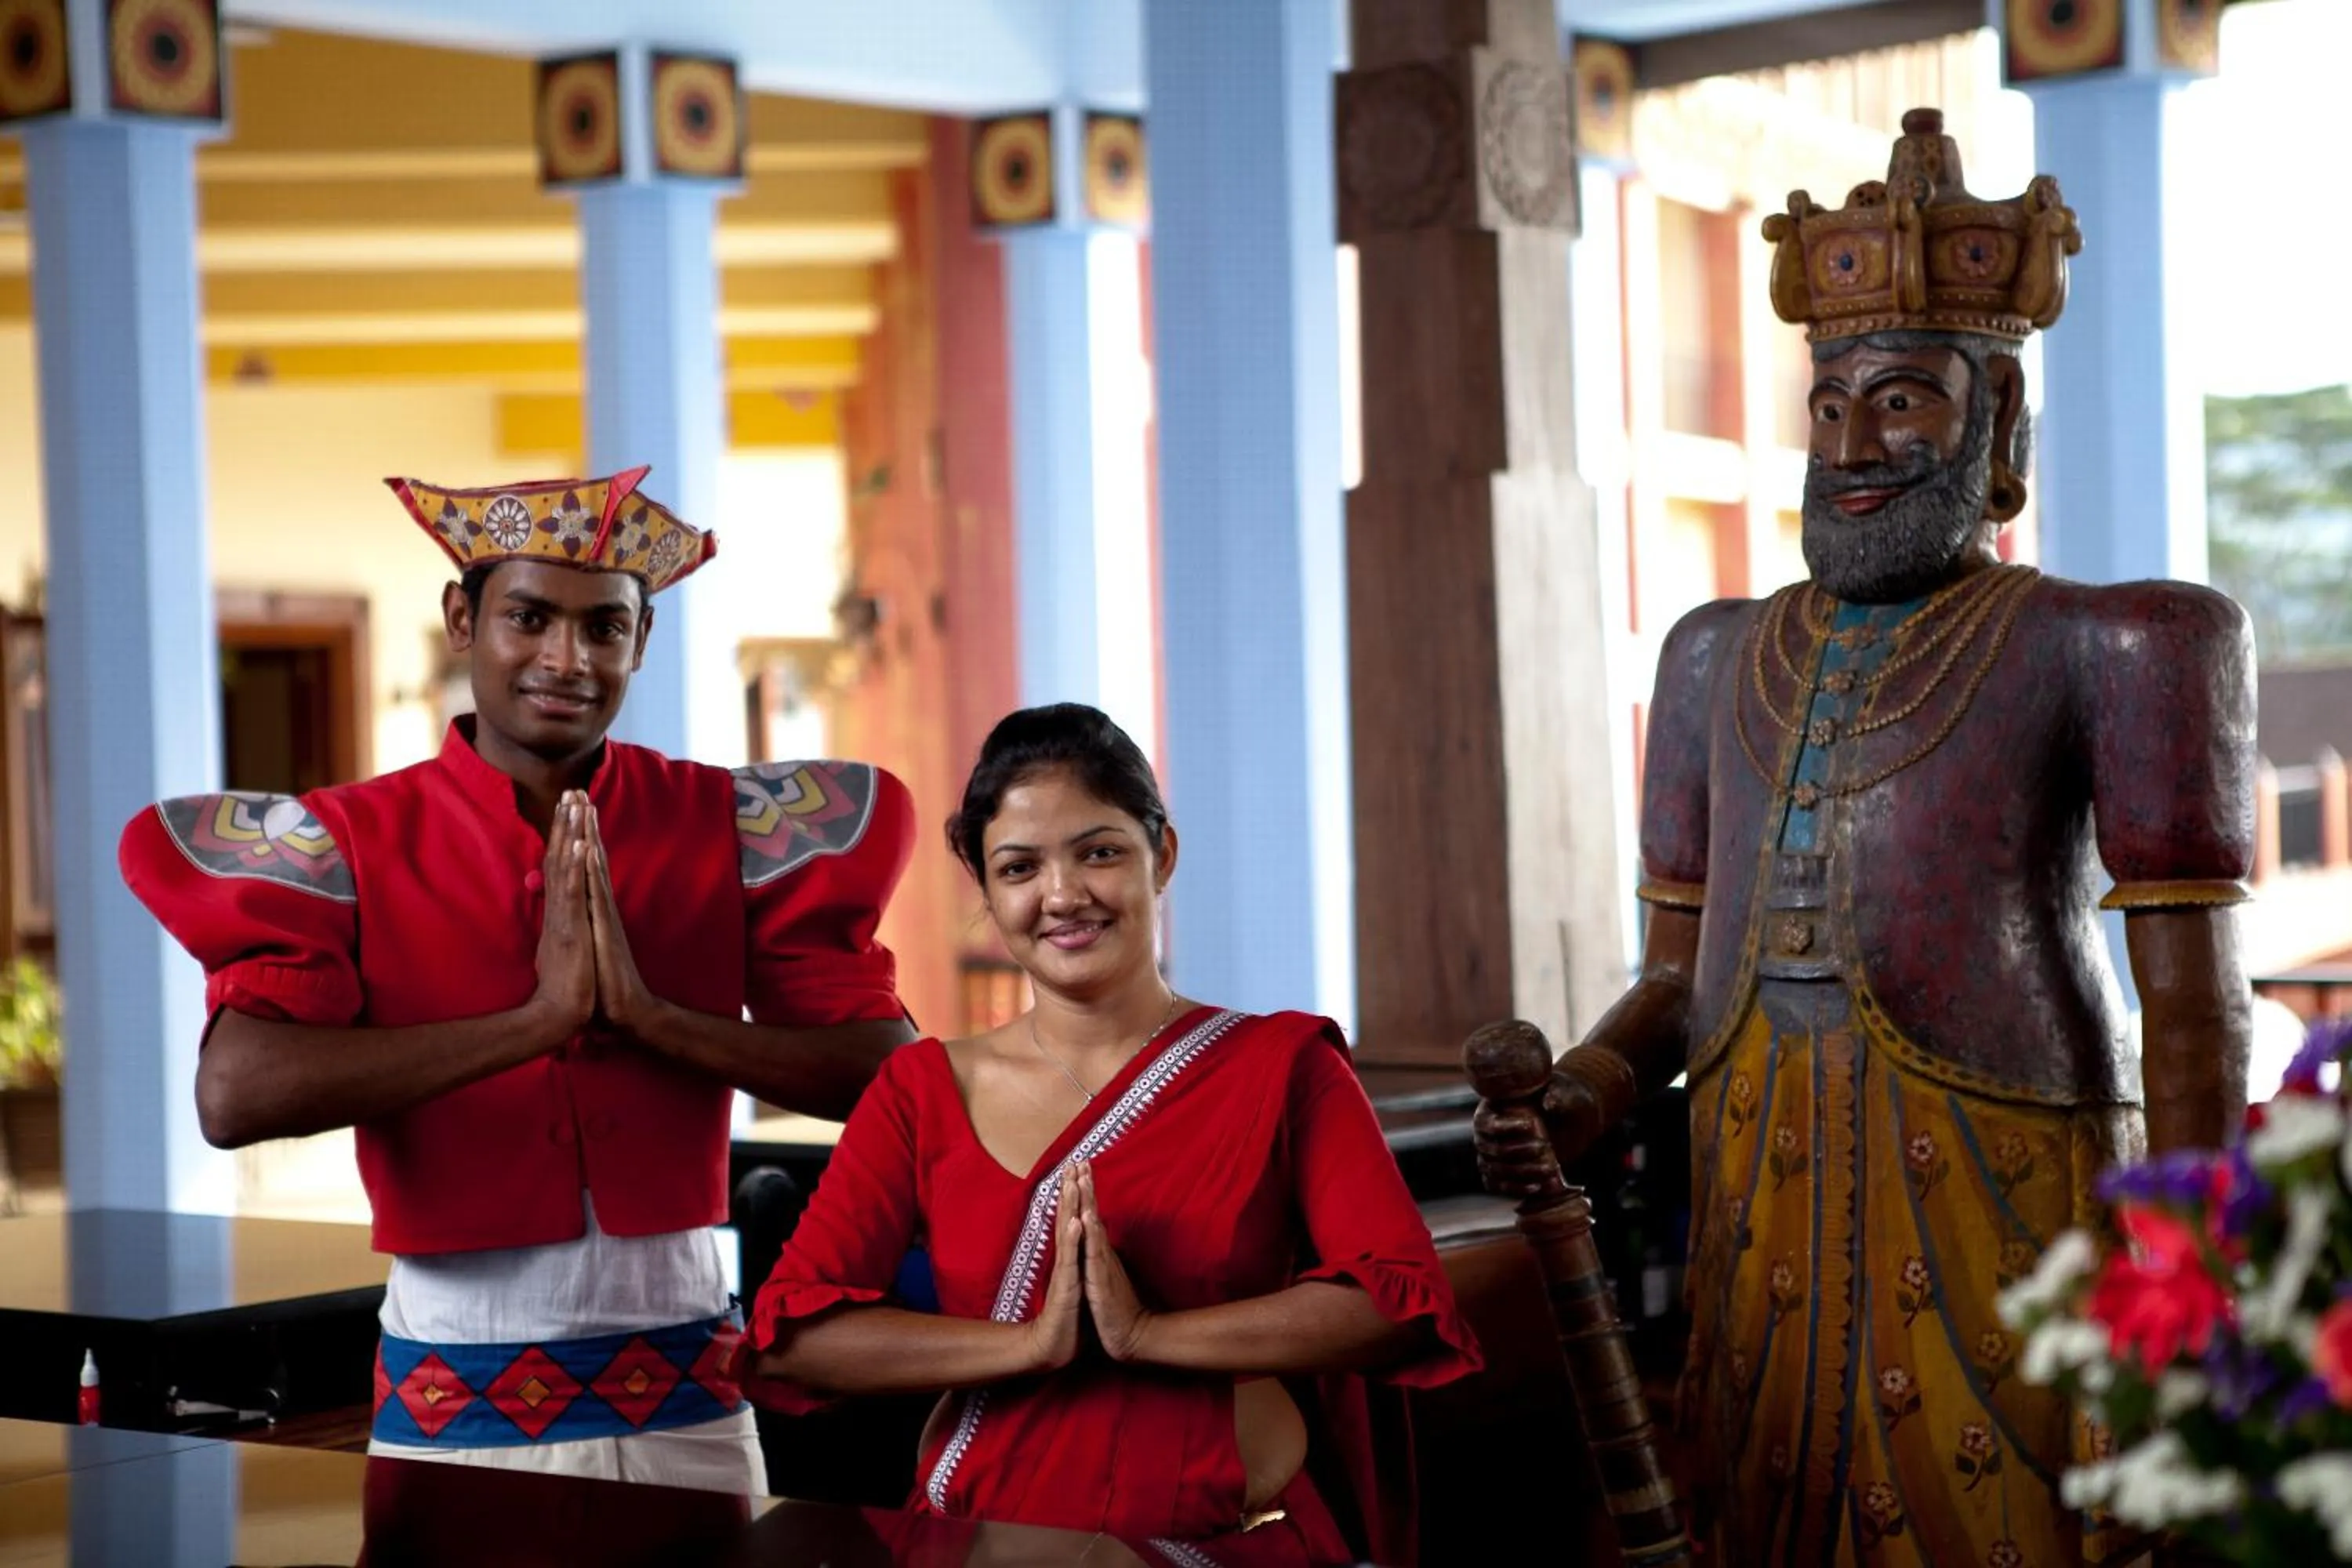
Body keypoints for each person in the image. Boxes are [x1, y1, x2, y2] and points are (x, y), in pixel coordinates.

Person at [1475, 111, 2256, 1565]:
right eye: (1832, 407)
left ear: (2004, 426)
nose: (1858, 444)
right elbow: (1672, 976)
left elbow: (2196, 1011)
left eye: (1905, 402)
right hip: (1760, 1159)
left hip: (2003, 1150)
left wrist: (2191, 1282)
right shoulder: (1712, 657)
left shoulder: (2126, 640)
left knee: (2019, 1515)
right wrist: (1585, 1089)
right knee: (1767, 1498)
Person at [118, 466, 916, 1495]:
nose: (565, 658)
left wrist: (651, 1017)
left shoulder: (729, 825)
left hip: (694, 1405)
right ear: (462, 618)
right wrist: (540, 1019)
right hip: (453, 1407)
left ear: (642, 642)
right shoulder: (352, 842)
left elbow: (889, 1074)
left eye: (603, 628)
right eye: (529, 617)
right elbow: (235, 1096)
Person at [742, 703, 1479, 1561]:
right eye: (1020, 867)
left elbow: (1396, 1298)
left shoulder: (1282, 1065)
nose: (1063, 895)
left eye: (1099, 851)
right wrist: (1027, 1345)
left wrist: (1149, 1336)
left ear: (1160, 854)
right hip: (976, 1540)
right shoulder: (920, 1089)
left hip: (1227, 1538)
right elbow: (795, 1336)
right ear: (985, 888)